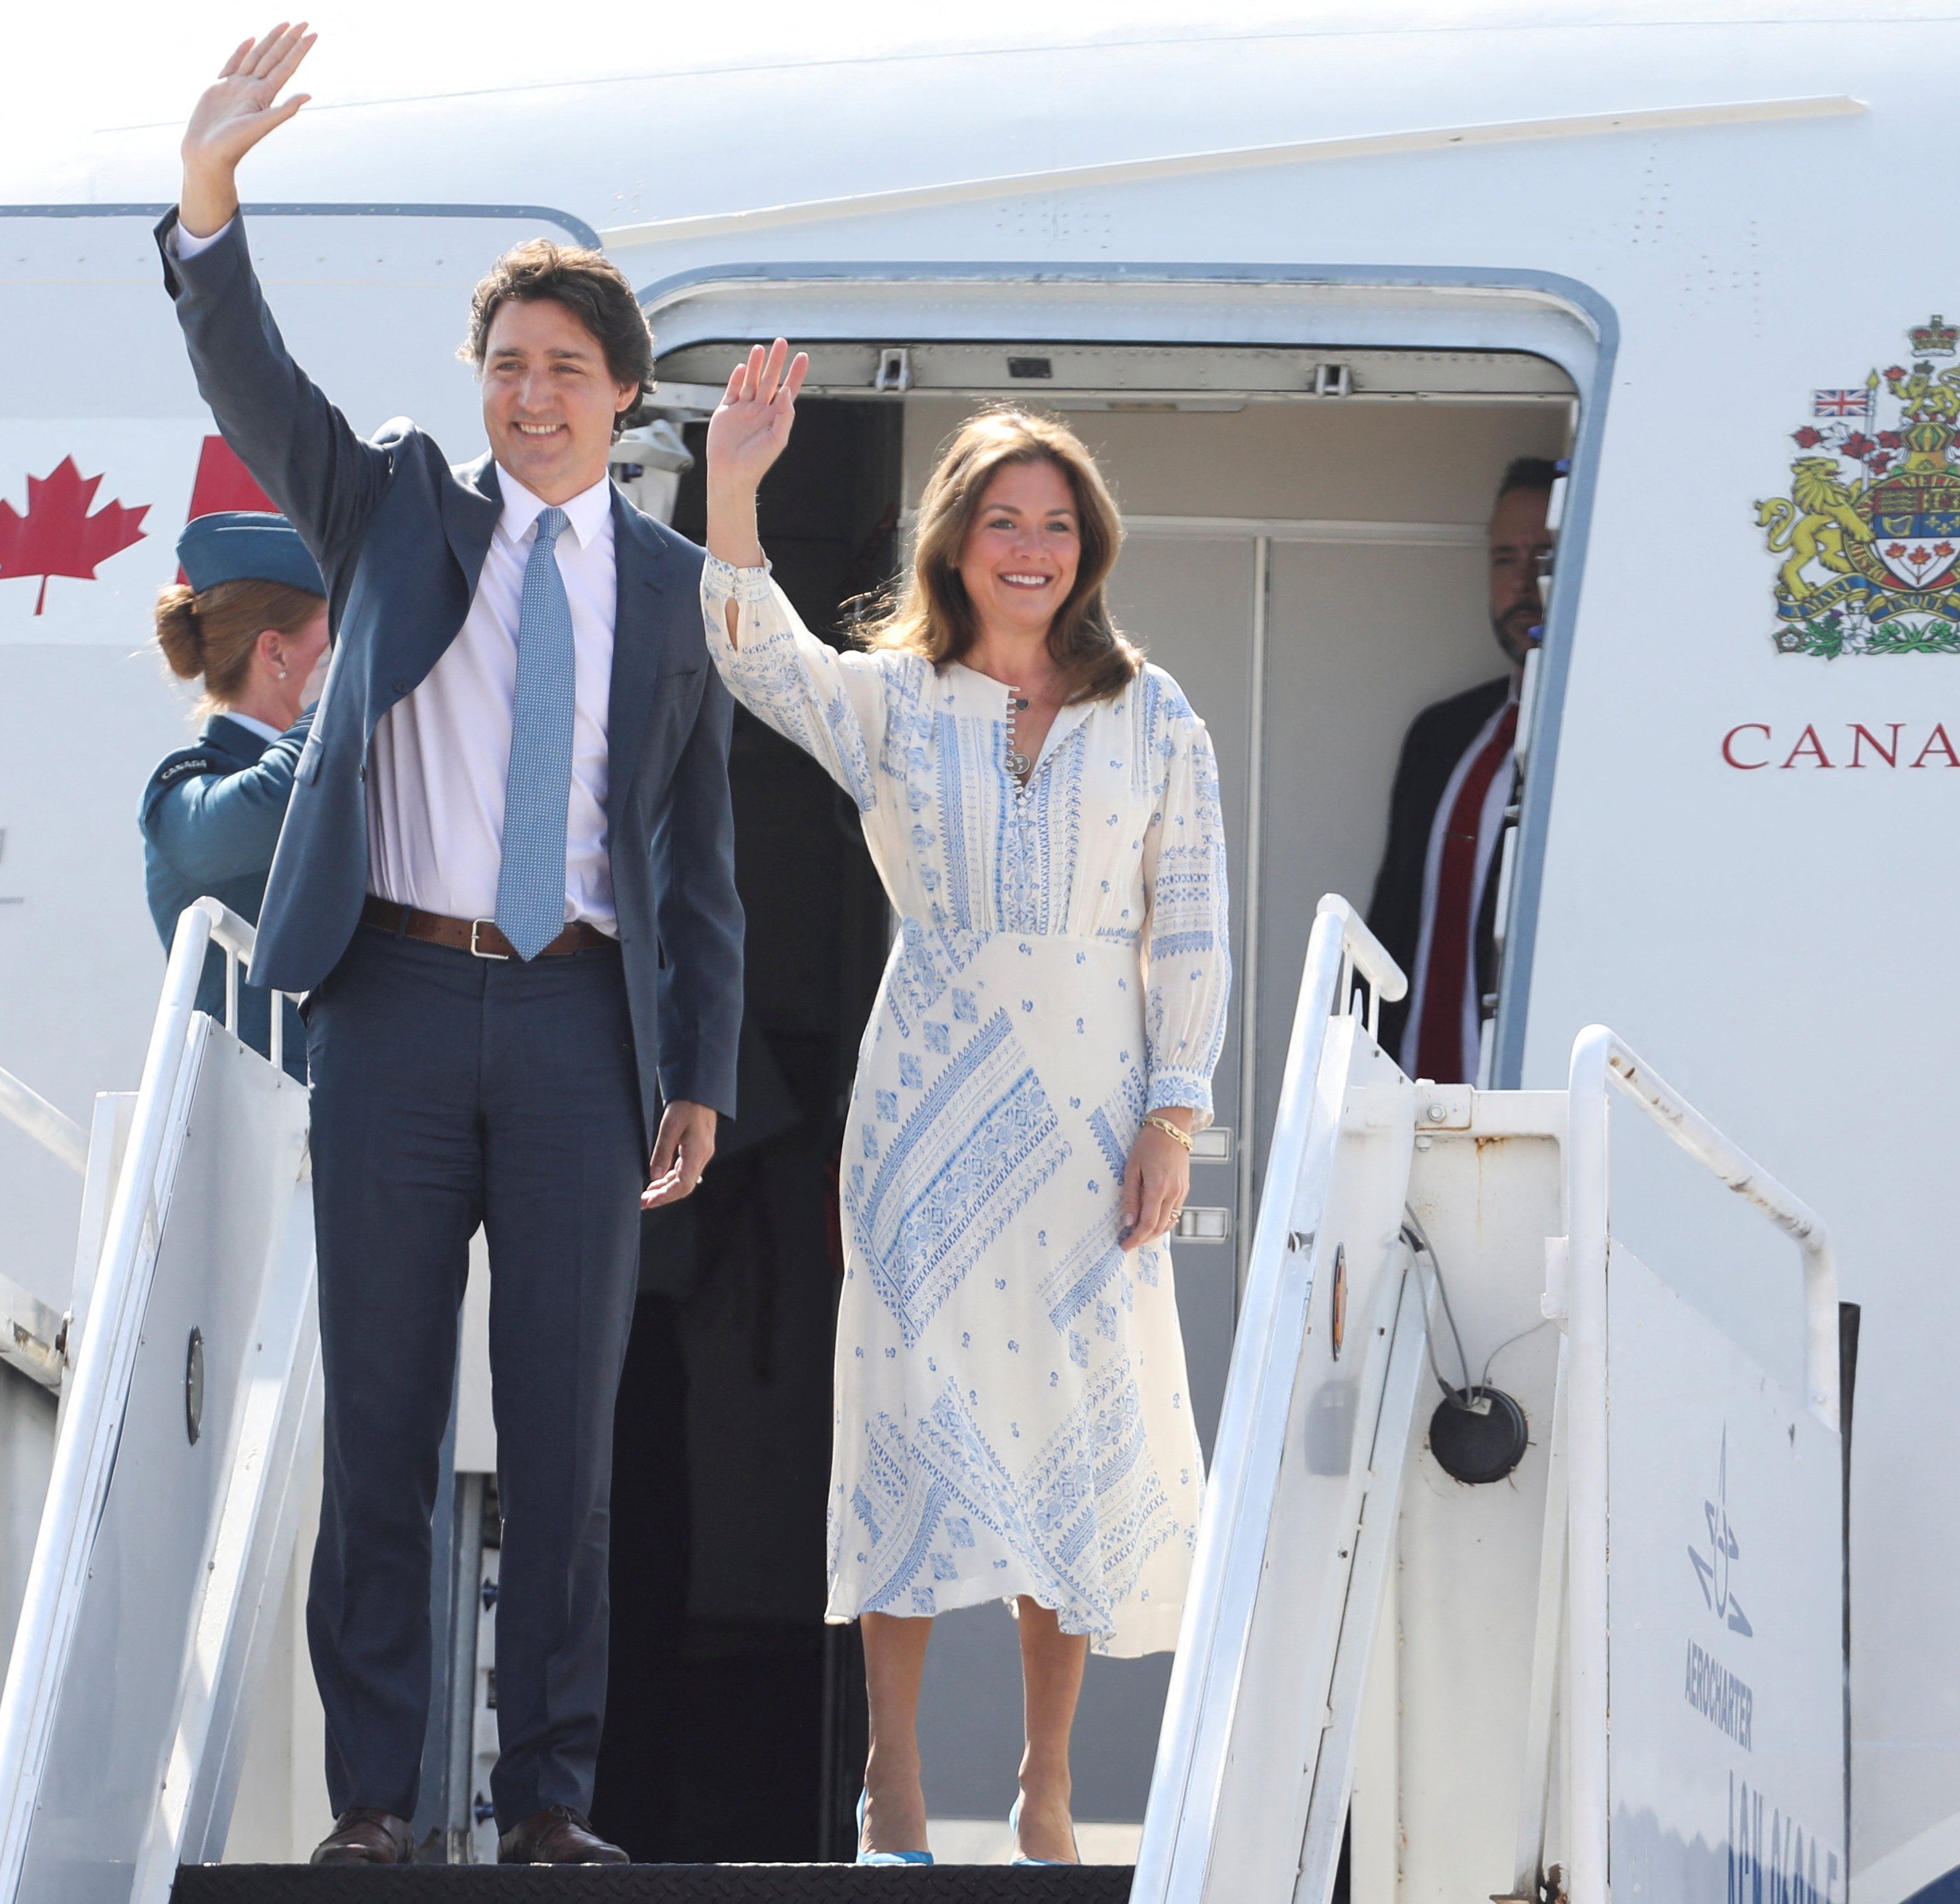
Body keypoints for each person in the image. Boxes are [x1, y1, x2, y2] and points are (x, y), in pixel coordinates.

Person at [161, 23, 744, 1869]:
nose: (531, 396)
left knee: (566, 1438)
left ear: (623, 398)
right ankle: (375, 1798)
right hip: (398, 1001)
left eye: (567, 371)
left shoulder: (666, 587)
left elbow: (698, 847)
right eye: (507, 366)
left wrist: (702, 1070)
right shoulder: (401, 502)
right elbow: (259, 390)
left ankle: (553, 1795)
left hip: (582, 1020)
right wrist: (208, 203)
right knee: (389, 1418)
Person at [702, 344, 1232, 1867]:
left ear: (1089, 547)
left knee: (1075, 1423)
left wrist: (1173, 1114)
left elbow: (1186, 920)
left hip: (1090, 1105)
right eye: (1004, 518)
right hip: (926, 1101)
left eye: (1056, 522)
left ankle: (1047, 1785)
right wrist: (736, 479)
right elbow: (753, 651)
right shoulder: (895, 701)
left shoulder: (1154, 713)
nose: (1031, 546)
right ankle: (893, 1784)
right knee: (912, 1415)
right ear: (954, 540)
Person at [1364, 456, 1559, 1085]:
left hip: (1541, 1105)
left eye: (1546, 556)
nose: (1524, 582)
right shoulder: (1442, 734)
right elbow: (1392, 922)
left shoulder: (1608, 746)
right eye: (1505, 558)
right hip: (1411, 1105)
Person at [140, 510, 330, 1079]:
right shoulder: (187, 787)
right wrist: (333, 707)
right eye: (342, 640)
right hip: (263, 1114)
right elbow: (273, 807)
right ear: (274, 654)